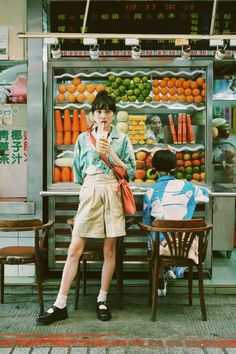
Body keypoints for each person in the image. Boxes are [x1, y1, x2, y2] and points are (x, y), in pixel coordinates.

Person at [37, 90, 136, 324]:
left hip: (112, 192)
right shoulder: (82, 139)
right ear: (93, 114)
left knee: (109, 250)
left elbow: (130, 172)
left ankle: (102, 299)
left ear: (114, 115)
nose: (103, 116)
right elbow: (79, 175)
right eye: (99, 111)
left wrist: (110, 152)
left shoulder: (122, 140)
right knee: (74, 248)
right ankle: (60, 302)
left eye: (108, 111)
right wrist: (92, 186)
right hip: (91, 191)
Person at [142, 148, 209, 296]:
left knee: (154, 232)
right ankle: (173, 269)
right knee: (173, 234)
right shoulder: (189, 188)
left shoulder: (150, 192)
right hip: (185, 246)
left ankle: (160, 279)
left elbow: (146, 220)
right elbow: (206, 196)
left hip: (161, 248)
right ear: (174, 168)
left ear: (154, 168)